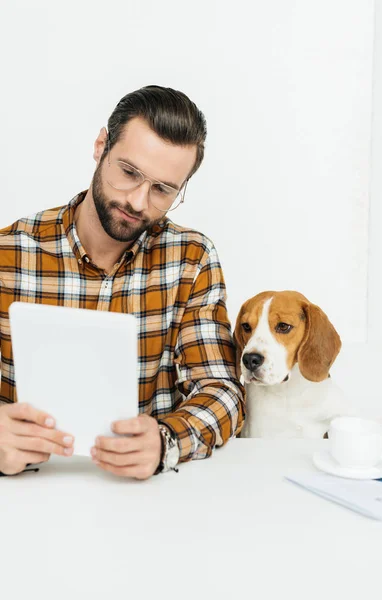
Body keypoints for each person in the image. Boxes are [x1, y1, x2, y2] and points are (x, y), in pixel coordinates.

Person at [0, 85, 245, 479]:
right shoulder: (8, 253)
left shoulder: (191, 258)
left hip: (140, 499)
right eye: (129, 173)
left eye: (163, 189)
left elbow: (223, 391)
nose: (137, 202)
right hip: (21, 495)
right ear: (101, 146)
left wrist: (167, 440)